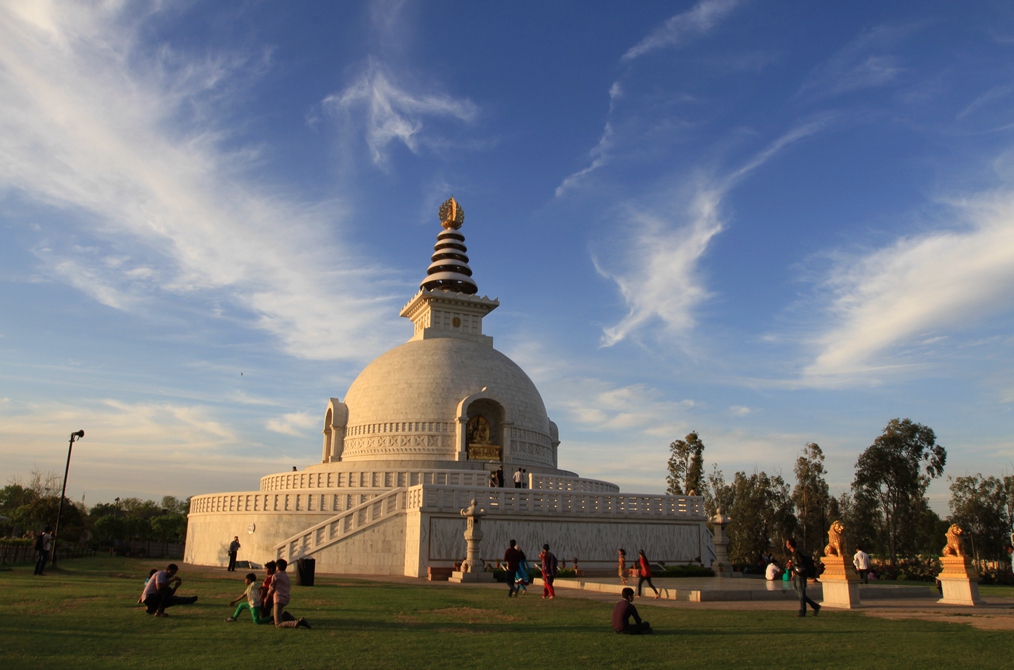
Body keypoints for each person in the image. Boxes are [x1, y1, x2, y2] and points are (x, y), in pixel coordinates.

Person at [266, 558, 310, 628]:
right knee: (278, 615)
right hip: (285, 598)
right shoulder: (286, 577)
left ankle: (297, 623)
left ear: (277, 567)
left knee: (278, 624)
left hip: (278, 599)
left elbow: (271, 589)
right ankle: (286, 616)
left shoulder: (276, 576)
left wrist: (266, 599)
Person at [785, 538, 820, 617]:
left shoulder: (797, 553)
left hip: (801, 576)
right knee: (799, 594)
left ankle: (802, 611)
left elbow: (802, 564)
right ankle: (815, 606)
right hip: (797, 575)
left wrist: (794, 566)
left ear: (790, 545)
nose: (786, 545)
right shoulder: (793, 554)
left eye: (787, 543)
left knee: (801, 594)